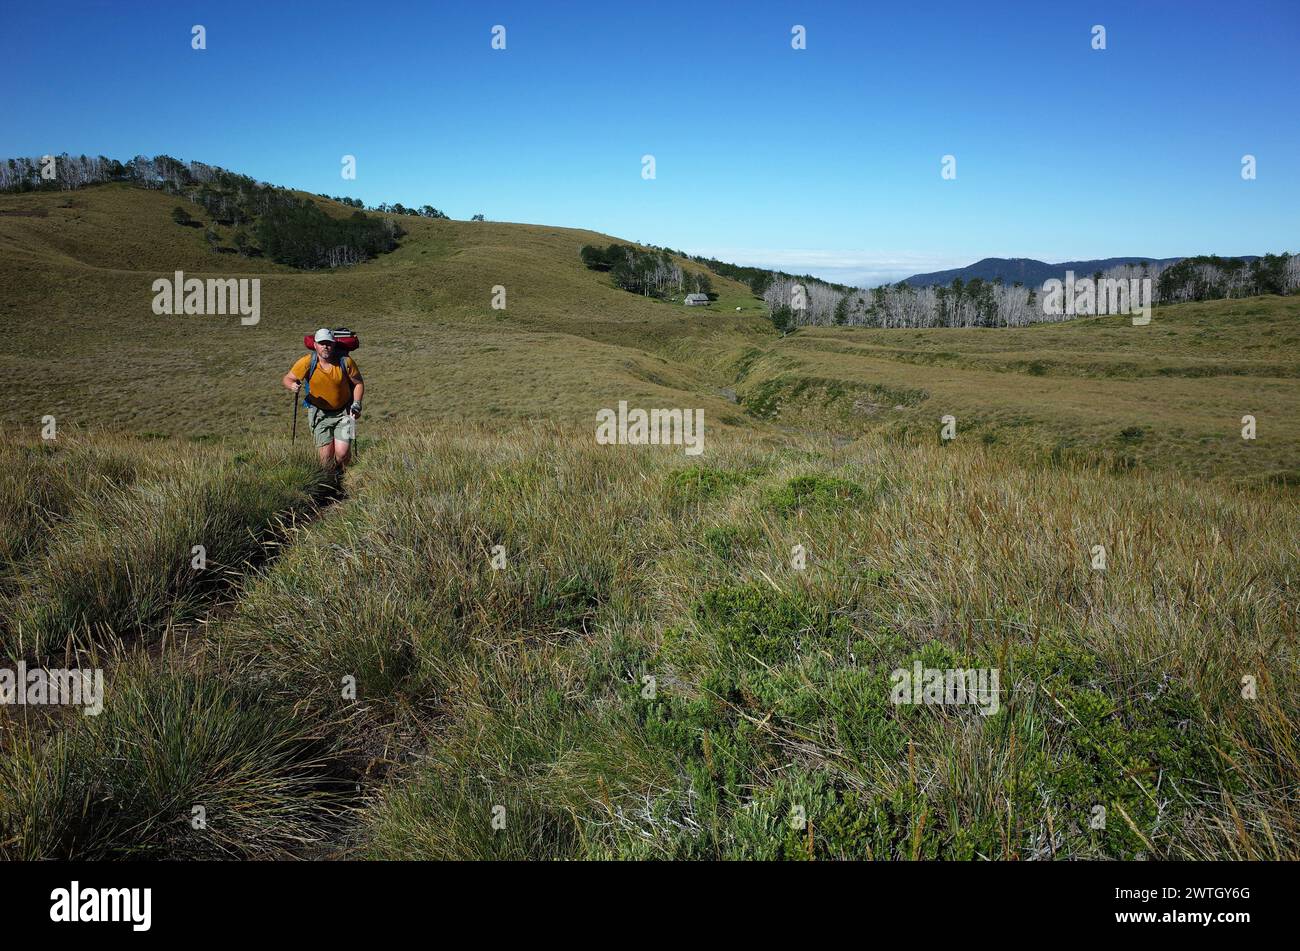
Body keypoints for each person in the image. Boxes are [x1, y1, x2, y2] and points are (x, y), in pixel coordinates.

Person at [282, 328, 364, 468]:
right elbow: (288, 378)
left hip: (343, 413)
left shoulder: (345, 362)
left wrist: (356, 403)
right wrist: (292, 386)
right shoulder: (308, 362)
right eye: (321, 343)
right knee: (326, 458)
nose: (325, 346)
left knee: (342, 454)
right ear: (315, 345)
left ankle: (343, 476)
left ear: (334, 344)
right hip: (319, 415)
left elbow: (358, 383)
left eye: (328, 343)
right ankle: (330, 483)